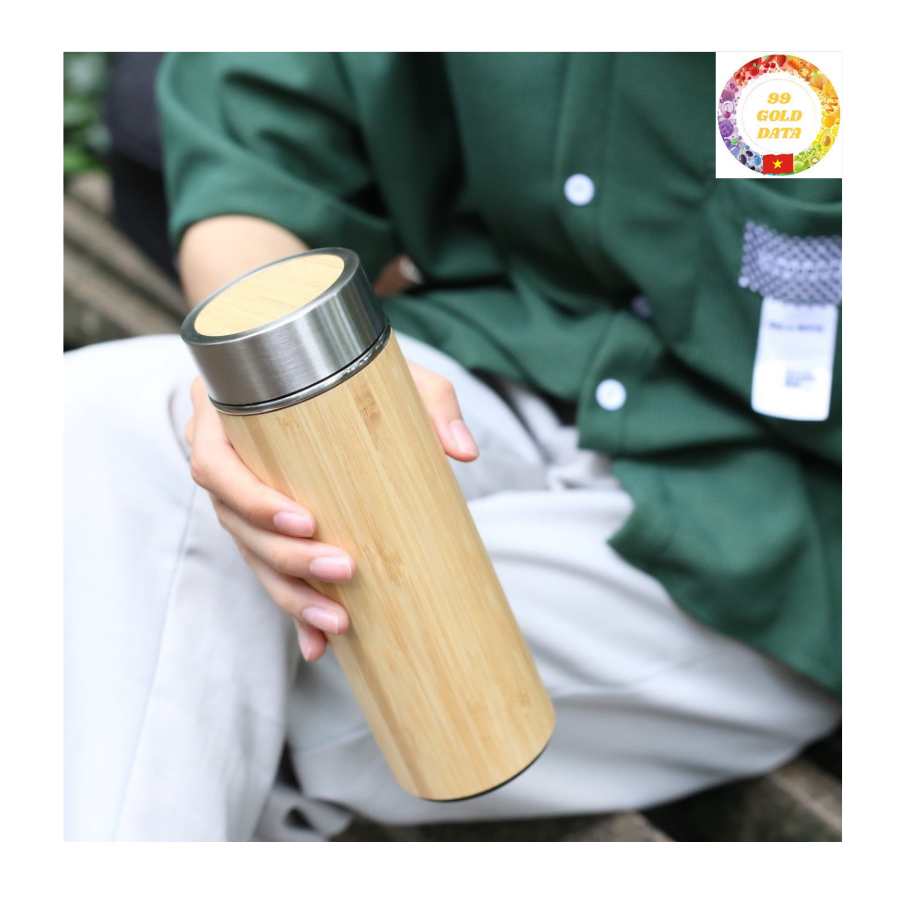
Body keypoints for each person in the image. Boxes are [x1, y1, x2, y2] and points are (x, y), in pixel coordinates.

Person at [64, 52, 842, 841]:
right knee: (105, 414)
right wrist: (269, 371)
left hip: (776, 531)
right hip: (486, 368)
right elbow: (250, 158)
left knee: (145, 664)